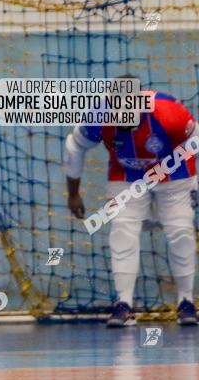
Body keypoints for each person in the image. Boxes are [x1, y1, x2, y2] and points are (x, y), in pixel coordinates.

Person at [64, 80, 198, 326]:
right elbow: (74, 146)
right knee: (122, 229)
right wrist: (73, 193)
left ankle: (186, 302)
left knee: (180, 230)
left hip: (174, 173)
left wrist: (195, 184)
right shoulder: (99, 114)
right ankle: (124, 305)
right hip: (126, 175)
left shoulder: (169, 112)